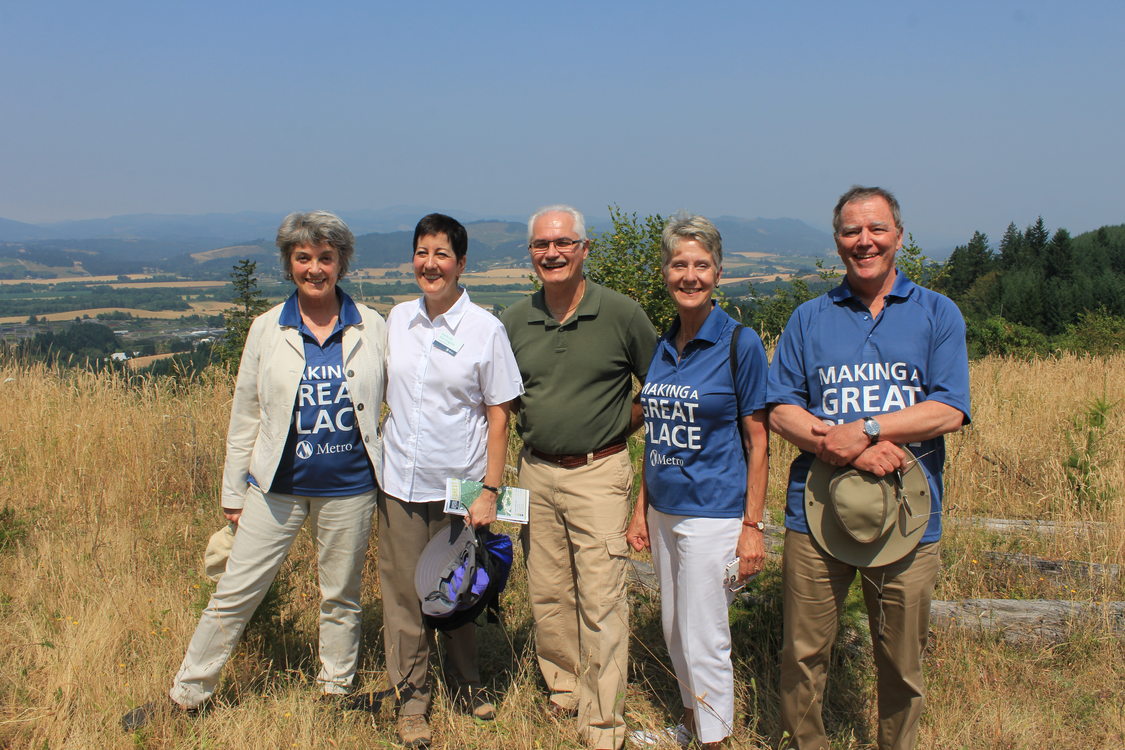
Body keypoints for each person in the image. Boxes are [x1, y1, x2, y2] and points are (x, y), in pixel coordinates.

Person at [767, 186, 971, 750]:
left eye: (877, 229)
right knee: (803, 654)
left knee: (902, 662)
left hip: (910, 514)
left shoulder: (937, 312)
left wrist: (872, 428)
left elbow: (950, 408)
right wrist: (853, 446)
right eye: (852, 232)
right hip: (814, 513)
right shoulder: (809, 318)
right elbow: (781, 409)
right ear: (837, 243)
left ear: (899, 236)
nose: (865, 242)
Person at [171, 210, 388, 710]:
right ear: (289, 263)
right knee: (235, 592)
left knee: (340, 597)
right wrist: (232, 494)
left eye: (326, 258)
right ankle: (187, 695)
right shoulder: (267, 328)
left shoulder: (371, 325)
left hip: (350, 486)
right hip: (275, 487)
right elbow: (245, 415)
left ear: (342, 263)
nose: (315, 268)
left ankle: (335, 690)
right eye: (304, 257)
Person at [500, 205, 658, 750]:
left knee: (603, 598)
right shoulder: (516, 321)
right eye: (542, 245)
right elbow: (507, 400)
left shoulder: (621, 313)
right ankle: (563, 691)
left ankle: (602, 724)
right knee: (546, 592)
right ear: (532, 255)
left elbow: (658, 388)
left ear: (584, 249)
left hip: (600, 472)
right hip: (535, 471)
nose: (552, 253)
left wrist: (619, 423)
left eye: (564, 243)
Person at [379, 213, 523, 749]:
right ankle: (412, 701)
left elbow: (499, 415)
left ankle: (467, 684)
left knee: (458, 589)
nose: (430, 264)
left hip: (456, 486)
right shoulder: (397, 320)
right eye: (421, 252)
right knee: (401, 596)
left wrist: (489, 490)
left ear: (461, 264)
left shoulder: (485, 329)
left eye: (441, 254)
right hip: (399, 483)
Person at [626, 215, 769, 749]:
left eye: (701, 265)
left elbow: (759, 442)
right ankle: (690, 725)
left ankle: (716, 740)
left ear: (719, 273)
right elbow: (655, 433)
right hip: (664, 509)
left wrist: (751, 526)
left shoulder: (739, 343)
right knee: (674, 629)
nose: (690, 275)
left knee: (706, 636)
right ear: (665, 272)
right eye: (679, 264)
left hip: (713, 512)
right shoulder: (664, 344)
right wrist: (640, 510)